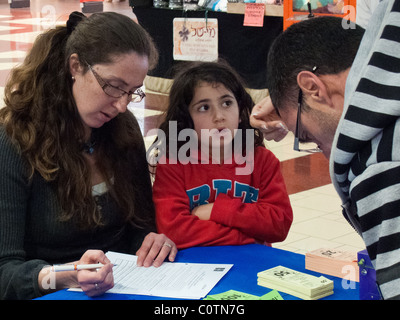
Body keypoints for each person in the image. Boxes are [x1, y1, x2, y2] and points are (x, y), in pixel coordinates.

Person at [0, 11, 177, 300]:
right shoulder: (14, 140)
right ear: (75, 66)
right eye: (113, 86)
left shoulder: (123, 130)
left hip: (125, 287)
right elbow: (5, 273)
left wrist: (151, 241)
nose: (121, 105)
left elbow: (141, 226)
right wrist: (63, 276)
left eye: (132, 92)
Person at [251, 2, 400, 299]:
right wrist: (290, 99)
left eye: (310, 138)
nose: (326, 155)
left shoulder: (379, 166)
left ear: (313, 87)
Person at [150, 61, 293, 249]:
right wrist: (251, 235)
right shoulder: (173, 163)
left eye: (227, 103)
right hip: (195, 269)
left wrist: (216, 210)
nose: (219, 116)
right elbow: (175, 231)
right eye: (204, 107)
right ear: (186, 119)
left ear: (241, 111)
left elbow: (279, 225)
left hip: (252, 264)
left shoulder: (262, 161)